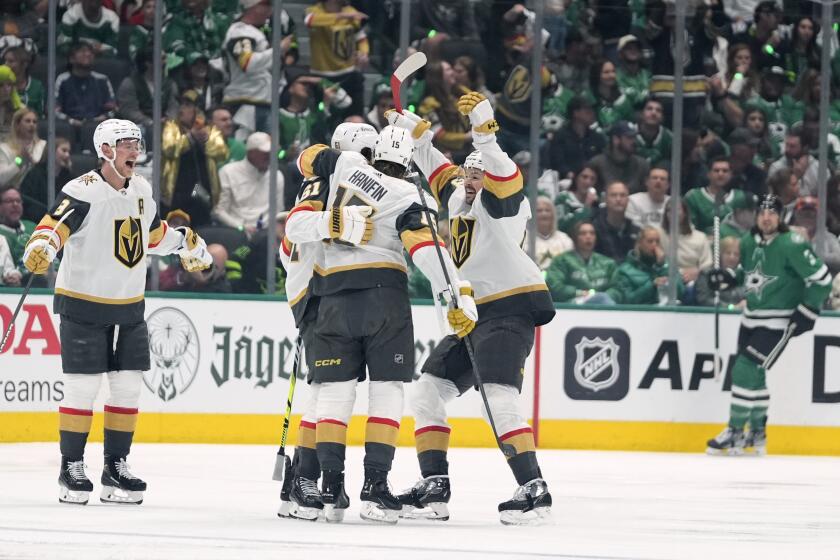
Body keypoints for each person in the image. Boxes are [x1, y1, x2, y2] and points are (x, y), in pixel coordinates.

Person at [284, 124, 475, 524]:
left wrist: (333, 211)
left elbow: (305, 159)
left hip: (331, 294)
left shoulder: (342, 165)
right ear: (407, 163)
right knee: (386, 391)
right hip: (384, 294)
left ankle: (331, 488)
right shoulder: (411, 193)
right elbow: (426, 250)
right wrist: (452, 292)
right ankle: (375, 489)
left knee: (332, 393)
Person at [20, 119, 212, 505]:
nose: (134, 152)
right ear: (106, 149)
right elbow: (53, 225)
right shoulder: (82, 190)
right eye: (126, 145)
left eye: (137, 144)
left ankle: (116, 466)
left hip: (129, 306)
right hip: (83, 304)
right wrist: (41, 246)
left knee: (127, 387)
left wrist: (185, 243)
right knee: (83, 387)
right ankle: (71, 466)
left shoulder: (141, 189)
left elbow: (151, 235)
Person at [387, 92, 555, 525]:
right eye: (468, 173)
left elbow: (499, 167)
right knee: (426, 393)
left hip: (510, 310)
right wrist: (414, 131)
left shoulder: (503, 204)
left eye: (478, 174)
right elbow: (434, 165)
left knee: (498, 396)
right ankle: (434, 488)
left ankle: (533, 488)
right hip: (473, 317)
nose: (470, 178)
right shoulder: (459, 197)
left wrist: (484, 129)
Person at [278, 121, 376, 519]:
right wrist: (335, 224)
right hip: (318, 294)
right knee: (328, 389)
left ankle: (296, 482)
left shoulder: (337, 182)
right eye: (369, 156)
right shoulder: (324, 184)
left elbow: (286, 250)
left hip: (320, 291)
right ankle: (304, 477)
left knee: (323, 388)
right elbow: (295, 228)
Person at [706, 194, 831, 456]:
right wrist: (729, 276)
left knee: (743, 368)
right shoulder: (748, 241)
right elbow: (749, 274)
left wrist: (808, 310)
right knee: (755, 374)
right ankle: (757, 432)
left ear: (779, 216)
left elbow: (822, 279)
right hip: (751, 317)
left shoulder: (792, 244)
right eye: (762, 212)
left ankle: (735, 429)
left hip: (779, 321)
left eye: (771, 212)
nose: (766, 217)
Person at [160, 91, 229, 226]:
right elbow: (169, 148)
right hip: (177, 190)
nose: (181, 109)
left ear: (197, 109)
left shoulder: (210, 129)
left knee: (201, 227)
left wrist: (205, 140)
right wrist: (191, 137)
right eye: (181, 105)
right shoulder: (172, 127)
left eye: (187, 105)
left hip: (202, 188)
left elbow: (222, 152)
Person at [304, 0, 369, 119]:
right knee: (324, 116)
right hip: (322, 76)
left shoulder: (350, 12)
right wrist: (341, 16)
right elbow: (309, 21)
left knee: (355, 116)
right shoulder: (314, 11)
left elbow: (361, 38)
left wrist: (363, 53)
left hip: (348, 73)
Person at [213, 131, 285, 233]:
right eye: (265, 153)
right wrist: (241, 227)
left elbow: (278, 211)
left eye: (272, 152)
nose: (269, 156)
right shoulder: (228, 172)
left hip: (267, 233)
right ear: (251, 153)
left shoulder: (277, 176)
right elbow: (219, 210)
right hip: (235, 230)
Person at [221, 0, 275, 135]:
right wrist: (278, 51)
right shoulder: (240, 32)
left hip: (261, 100)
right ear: (253, 7)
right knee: (246, 149)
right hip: (245, 102)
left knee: (265, 151)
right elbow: (247, 63)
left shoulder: (255, 31)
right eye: (266, 5)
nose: (270, 10)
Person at [55, 42, 117, 149]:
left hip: (96, 125)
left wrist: (101, 118)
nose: (87, 54)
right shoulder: (63, 80)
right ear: (71, 58)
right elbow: (54, 110)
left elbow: (114, 109)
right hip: (70, 125)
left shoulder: (102, 80)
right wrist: (71, 121)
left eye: (90, 52)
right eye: (82, 51)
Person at [545, 220, 619, 304]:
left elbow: (617, 289)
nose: (588, 236)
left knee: (603, 299)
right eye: (583, 233)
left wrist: (598, 296)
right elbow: (555, 287)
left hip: (602, 305)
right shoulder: (562, 261)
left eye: (592, 233)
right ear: (575, 237)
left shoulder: (608, 263)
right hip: (571, 305)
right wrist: (578, 293)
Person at [613, 226, 683, 305]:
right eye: (650, 241)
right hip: (641, 314)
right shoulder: (625, 270)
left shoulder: (666, 265)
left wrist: (662, 267)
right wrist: (652, 286)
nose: (654, 245)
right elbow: (627, 300)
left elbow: (680, 291)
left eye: (657, 241)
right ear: (639, 243)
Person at [684, 157, 749, 234]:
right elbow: (689, 229)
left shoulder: (741, 197)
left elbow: (746, 230)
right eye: (716, 170)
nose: (720, 174)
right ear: (708, 174)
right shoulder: (693, 197)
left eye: (725, 171)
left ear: (731, 174)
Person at [656, 199, 712, 288]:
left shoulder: (700, 237)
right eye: (669, 210)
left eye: (677, 209)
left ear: (685, 213)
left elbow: (707, 264)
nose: (673, 213)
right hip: (666, 279)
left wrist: (698, 272)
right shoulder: (658, 235)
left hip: (694, 282)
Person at [547, 96, 606, 180]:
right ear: (576, 113)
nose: (592, 113)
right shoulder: (561, 137)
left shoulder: (597, 137)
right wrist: (569, 175)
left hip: (594, 180)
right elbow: (557, 162)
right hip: (566, 181)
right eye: (587, 111)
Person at [20, 137, 74, 223]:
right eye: (64, 150)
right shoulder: (34, 174)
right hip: (36, 222)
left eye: (69, 152)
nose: (67, 155)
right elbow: (27, 202)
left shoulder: (69, 177)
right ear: (51, 151)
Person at [587, 120, 649, 194]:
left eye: (634, 137)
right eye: (629, 138)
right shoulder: (597, 164)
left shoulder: (642, 165)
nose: (634, 141)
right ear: (616, 139)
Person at [592, 181, 639, 264]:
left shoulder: (636, 230)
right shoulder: (594, 229)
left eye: (622, 195)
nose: (618, 199)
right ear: (605, 199)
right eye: (613, 195)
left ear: (628, 200)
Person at [695, 236, 746, 308]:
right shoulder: (707, 274)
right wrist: (731, 307)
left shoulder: (745, 275)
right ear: (720, 254)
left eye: (736, 254)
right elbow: (704, 300)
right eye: (728, 253)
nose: (732, 257)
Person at [767, 128, 819, 197]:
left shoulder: (819, 168)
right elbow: (774, 199)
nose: (787, 150)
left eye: (792, 146)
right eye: (786, 145)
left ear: (805, 148)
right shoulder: (776, 167)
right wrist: (796, 177)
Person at [0, 108, 45, 188]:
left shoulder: (43, 146)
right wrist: (20, 161)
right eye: (27, 121)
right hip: (12, 193)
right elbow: (2, 179)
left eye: (34, 122)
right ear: (17, 125)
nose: (32, 124)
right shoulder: (4, 149)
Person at [527, 196, 572, 270]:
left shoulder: (564, 239)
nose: (544, 214)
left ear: (553, 215)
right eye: (539, 210)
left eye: (547, 210)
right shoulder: (525, 239)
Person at [0, 185, 35, 274]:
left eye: (18, 201)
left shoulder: (33, 227)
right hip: (18, 284)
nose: (15, 204)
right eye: (9, 201)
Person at [554, 165, 598, 234]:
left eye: (592, 179)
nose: (588, 182)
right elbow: (560, 227)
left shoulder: (597, 203)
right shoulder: (563, 198)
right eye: (584, 177)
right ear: (576, 178)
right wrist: (586, 208)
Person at [3, 46, 44, 116]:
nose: (6, 64)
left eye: (11, 61)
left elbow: (40, 115)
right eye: (5, 61)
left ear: (24, 64)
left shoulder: (37, 86)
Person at [634, 98, 672, 166]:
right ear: (641, 114)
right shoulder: (629, 133)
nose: (653, 113)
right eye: (649, 109)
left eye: (658, 110)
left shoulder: (669, 138)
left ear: (663, 117)